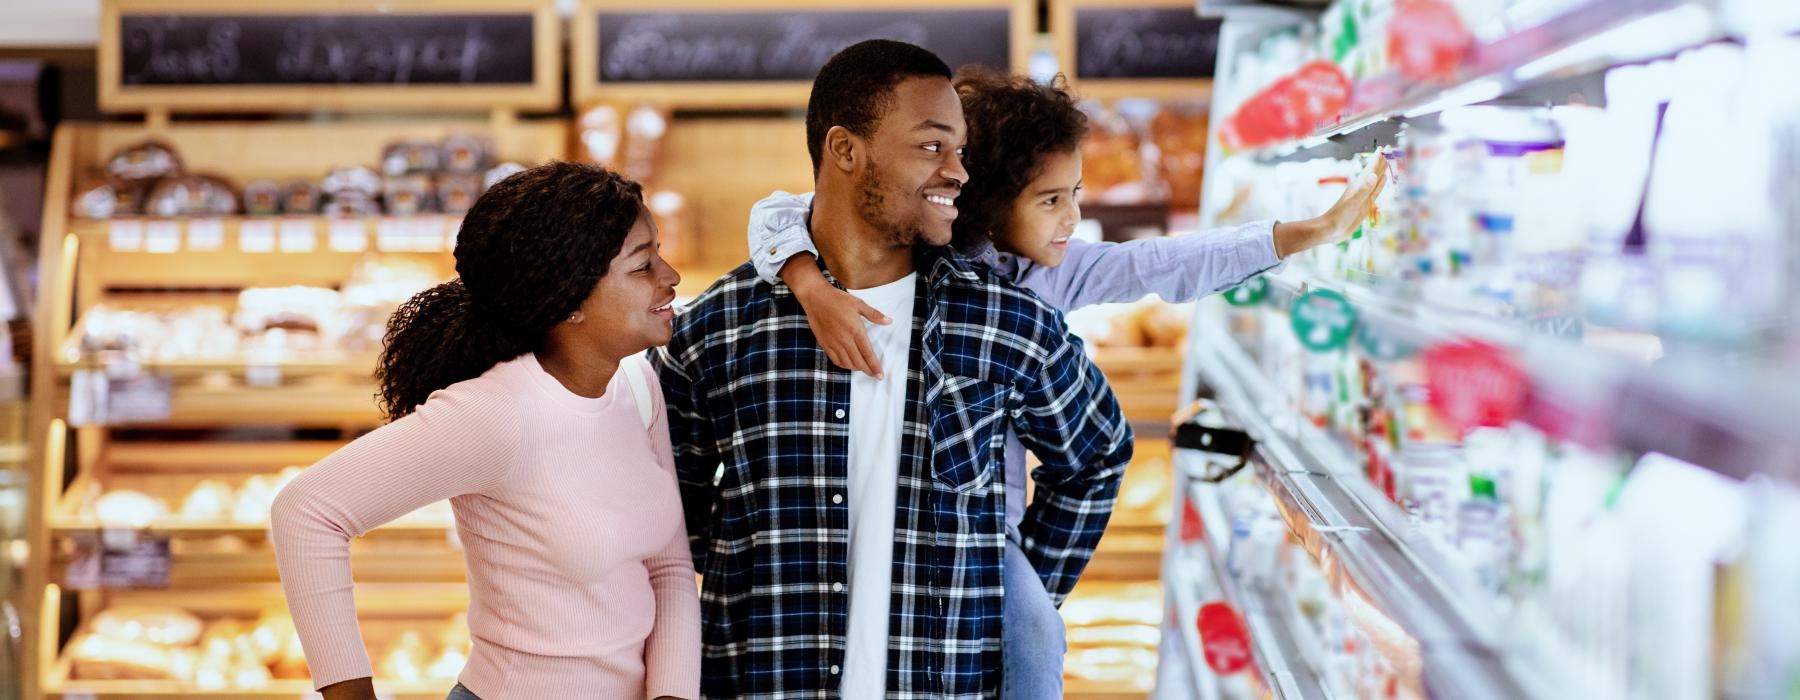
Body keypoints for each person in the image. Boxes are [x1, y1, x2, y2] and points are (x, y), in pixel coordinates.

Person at [745, 70, 1388, 697]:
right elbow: (778, 212)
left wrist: (1304, 234)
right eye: (1052, 199)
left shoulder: (1049, 276)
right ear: (987, 203)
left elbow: (1164, 263)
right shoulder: (910, 249)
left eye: (1076, 194)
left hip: (981, 534)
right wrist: (806, 281)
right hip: (861, 510)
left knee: (1033, 632)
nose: (1073, 217)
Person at [652, 40, 1132, 698]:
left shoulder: (1003, 324)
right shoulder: (718, 331)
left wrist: (1014, 596)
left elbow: (1097, 454)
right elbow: (670, 523)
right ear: (845, 150)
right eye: (932, 146)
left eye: (960, 150)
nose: (958, 172)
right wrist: (754, 576)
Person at [271, 162, 697, 700]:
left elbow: (670, 570)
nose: (671, 276)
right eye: (643, 265)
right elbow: (306, 512)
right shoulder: (496, 413)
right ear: (569, 302)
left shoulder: (636, 385)